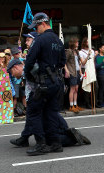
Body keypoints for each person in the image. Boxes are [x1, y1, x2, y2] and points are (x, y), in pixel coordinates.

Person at [22, 12, 66, 156]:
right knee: (51, 112)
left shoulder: (40, 40)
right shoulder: (58, 41)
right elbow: (62, 62)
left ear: (42, 24)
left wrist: (29, 75)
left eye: (36, 27)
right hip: (57, 82)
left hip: (43, 82)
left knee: (33, 112)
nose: (36, 30)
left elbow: (29, 61)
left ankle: (41, 144)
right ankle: (55, 143)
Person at [65, 37, 82, 113]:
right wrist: (67, 70)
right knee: (72, 89)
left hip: (77, 71)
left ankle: (75, 104)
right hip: (72, 71)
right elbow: (64, 62)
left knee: (76, 89)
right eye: (77, 42)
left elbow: (79, 62)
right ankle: (71, 105)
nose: (78, 43)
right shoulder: (69, 51)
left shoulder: (76, 52)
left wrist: (80, 71)